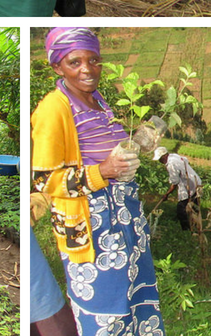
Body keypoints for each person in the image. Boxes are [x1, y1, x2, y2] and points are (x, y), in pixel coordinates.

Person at [31, 27, 164, 335]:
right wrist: (102, 171)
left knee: (136, 306)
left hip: (127, 225)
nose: (87, 69)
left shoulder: (100, 101)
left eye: (94, 60)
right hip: (93, 233)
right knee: (106, 317)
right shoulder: (54, 108)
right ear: (57, 66)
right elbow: (45, 182)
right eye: (74, 62)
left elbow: (108, 153)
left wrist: (136, 146)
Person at [153, 147, 202, 231]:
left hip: (189, 185)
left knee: (181, 209)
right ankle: (196, 227)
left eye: (160, 159)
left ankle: (187, 230)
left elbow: (174, 182)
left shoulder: (171, 164)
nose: (160, 161)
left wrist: (167, 194)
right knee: (194, 206)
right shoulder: (174, 156)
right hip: (196, 182)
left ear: (164, 156)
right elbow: (186, 160)